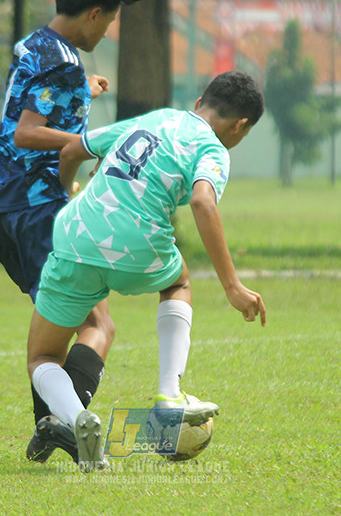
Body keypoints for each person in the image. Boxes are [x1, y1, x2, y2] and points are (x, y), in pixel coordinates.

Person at [26, 71, 268, 472]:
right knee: (178, 283)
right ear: (240, 126)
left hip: (76, 239)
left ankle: (76, 418)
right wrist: (233, 286)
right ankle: (169, 396)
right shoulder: (214, 149)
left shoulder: (150, 120)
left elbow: (71, 151)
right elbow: (203, 203)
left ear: (198, 102)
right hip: (138, 245)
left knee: (43, 356)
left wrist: (68, 194)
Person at [0, 0, 144, 462]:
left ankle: (52, 426)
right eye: (110, 21)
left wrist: (82, 94)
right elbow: (28, 132)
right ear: (94, 13)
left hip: (1, 209)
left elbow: (32, 100)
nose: (107, 34)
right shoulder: (66, 64)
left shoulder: (37, 43)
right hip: (40, 211)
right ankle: (74, 421)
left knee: (53, 330)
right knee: (99, 326)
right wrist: (94, 140)